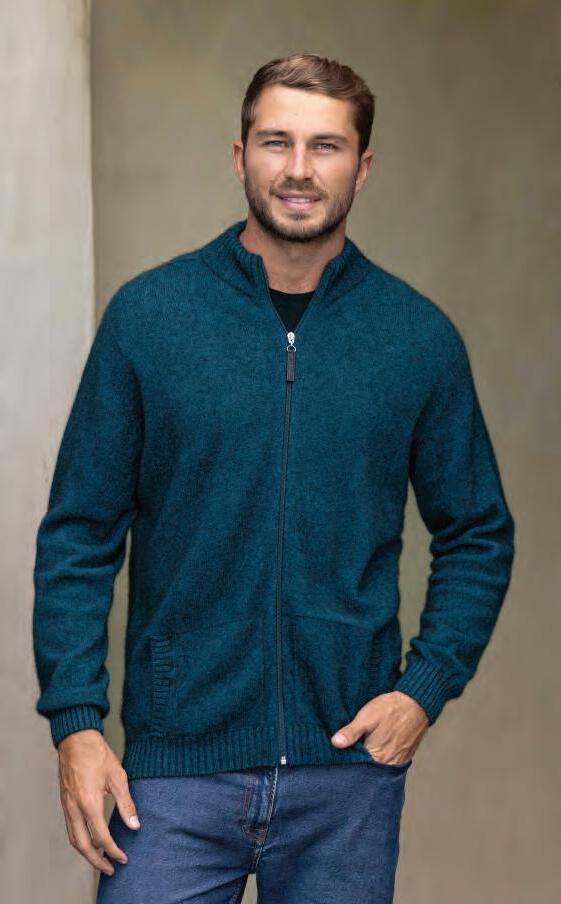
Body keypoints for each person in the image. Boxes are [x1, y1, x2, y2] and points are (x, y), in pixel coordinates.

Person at [32, 53, 516, 903]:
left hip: (346, 780)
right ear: (239, 156)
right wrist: (75, 722)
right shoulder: (150, 319)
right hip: (173, 775)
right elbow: (80, 534)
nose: (298, 169)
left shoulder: (415, 339)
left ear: (362, 166)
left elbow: (476, 532)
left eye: (325, 146)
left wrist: (421, 690)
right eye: (275, 142)